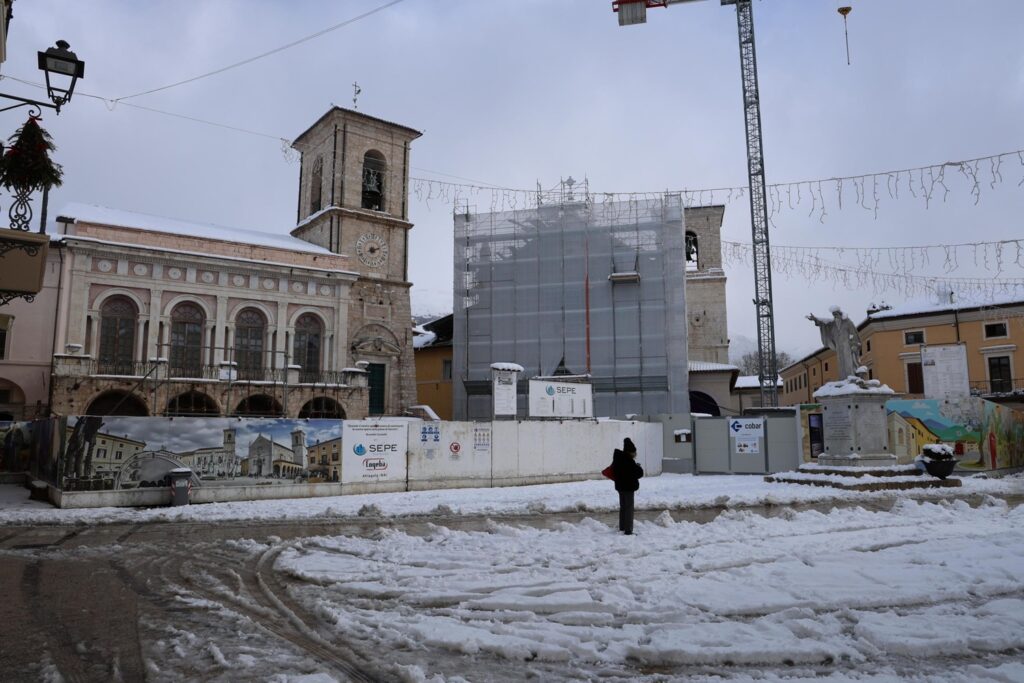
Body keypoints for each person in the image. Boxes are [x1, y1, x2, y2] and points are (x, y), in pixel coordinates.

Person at [611, 437, 643, 535]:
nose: (635, 454)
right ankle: (628, 530)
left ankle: (622, 527)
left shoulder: (618, 459)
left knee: (623, 507)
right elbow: (639, 473)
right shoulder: (629, 461)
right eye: (634, 452)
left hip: (620, 486)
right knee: (629, 508)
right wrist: (638, 467)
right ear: (630, 452)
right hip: (628, 488)